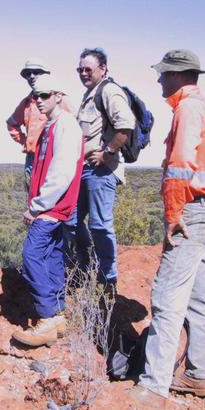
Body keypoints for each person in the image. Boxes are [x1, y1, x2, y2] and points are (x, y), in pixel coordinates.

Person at [129, 50, 205, 410]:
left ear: (178, 75)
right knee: (197, 297)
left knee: (167, 296)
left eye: (163, 75)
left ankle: (153, 387)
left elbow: (179, 165)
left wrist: (175, 212)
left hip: (191, 212)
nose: (159, 81)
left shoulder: (189, 110)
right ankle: (199, 374)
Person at [12, 75, 84, 347]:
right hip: (52, 206)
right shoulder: (51, 126)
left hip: (53, 206)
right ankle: (59, 315)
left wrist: (37, 206)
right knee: (53, 256)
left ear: (58, 96)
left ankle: (46, 318)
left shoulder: (66, 126)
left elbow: (62, 172)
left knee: (31, 255)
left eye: (45, 96)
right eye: (36, 97)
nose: (39, 101)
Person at [65, 47, 135, 291]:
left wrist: (108, 153)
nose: (83, 73)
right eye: (80, 69)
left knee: (100, 224)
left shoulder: (109, 91)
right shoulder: (89, 94)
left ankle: (108, 278)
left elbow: (126, 125)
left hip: (101, 170)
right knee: (70, 219)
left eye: (88, 69)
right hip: (83, 169)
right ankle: (84, 265)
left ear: (102, 69)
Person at [6, 58, 72, 189]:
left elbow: (75, 126)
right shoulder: (27, 102)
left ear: (45, 74)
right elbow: (11, 123)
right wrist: (25, 141)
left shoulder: (59, 98)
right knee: (33, 200)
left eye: (36, 72)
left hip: (54, 158)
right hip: (33, 158)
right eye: (28, 74)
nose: (31, 76)